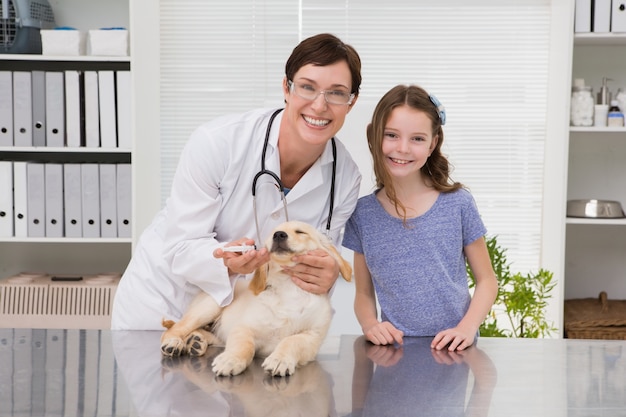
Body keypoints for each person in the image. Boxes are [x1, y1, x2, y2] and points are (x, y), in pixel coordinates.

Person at [112, 33, 362, 330]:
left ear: (351, 102)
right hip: (167, 303)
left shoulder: (345, 178)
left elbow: (317, 270)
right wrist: (224, 263)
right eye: (307, 87)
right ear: (286, 88)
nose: (320, 106)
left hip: (248, 322)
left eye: (336, 93)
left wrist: (325, 274)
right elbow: (181, 246)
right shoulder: (218, 143)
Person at [342, 84, 498, 351]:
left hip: (454, 351)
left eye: (417, 138)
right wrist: (370, 324)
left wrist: (467, 328)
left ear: (432, 144)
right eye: (391, 135)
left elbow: (487, 281)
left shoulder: (458, 203)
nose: (403, 148)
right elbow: (364, 293)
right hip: (393, 353)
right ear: (375, 137)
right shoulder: (362, 214)